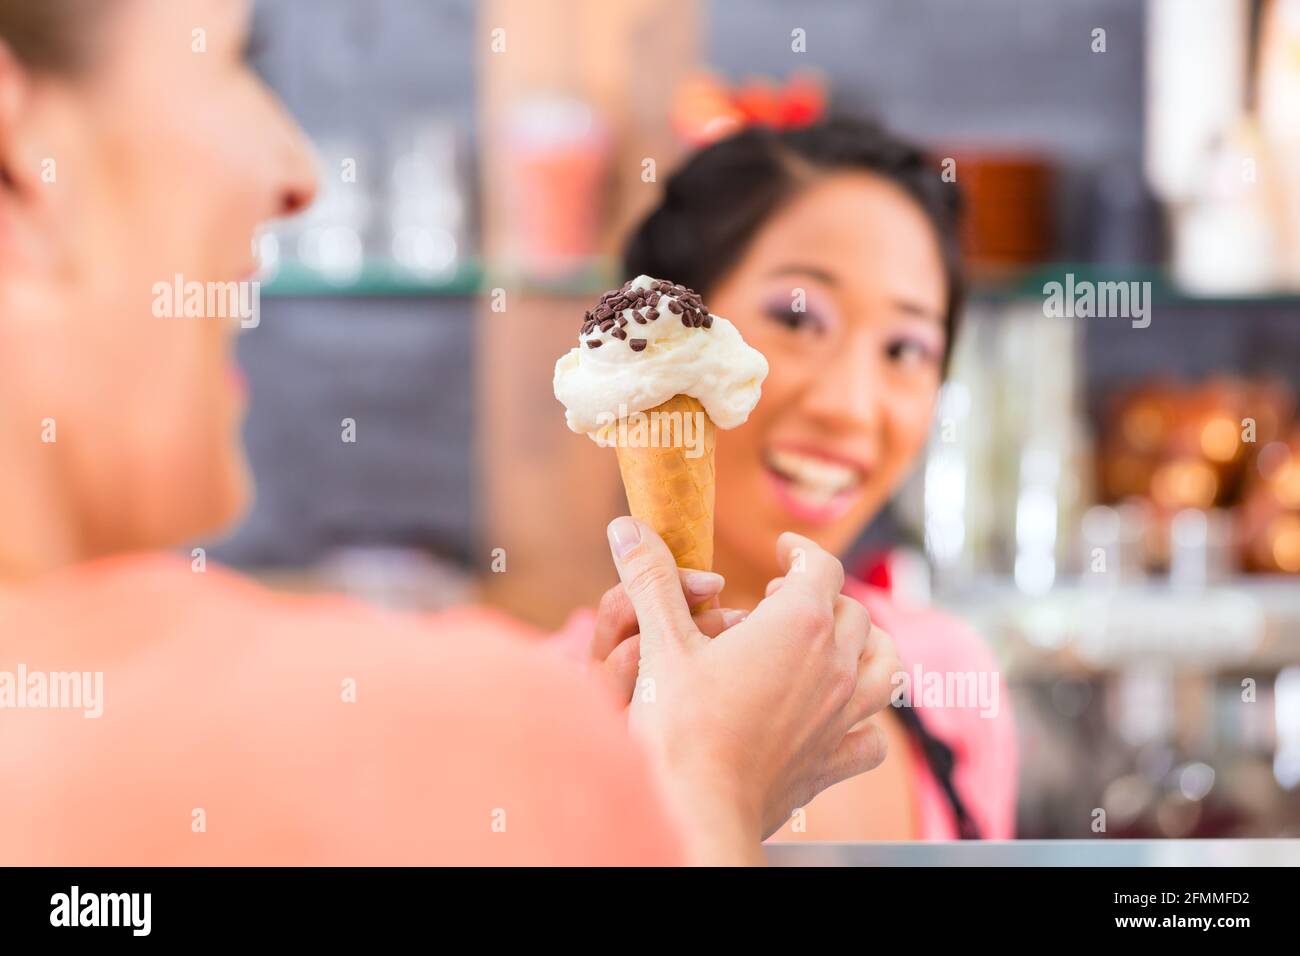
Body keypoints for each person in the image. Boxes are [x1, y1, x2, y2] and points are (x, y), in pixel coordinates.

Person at [0, 0, 899, 865]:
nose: (298, 170)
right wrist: (707, 789)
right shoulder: (444, 728)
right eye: (239, 57)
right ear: (19, 158)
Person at [559, 118, 1018, 840]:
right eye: (798, 317)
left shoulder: (948, 673)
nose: (851, 406)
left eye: (906, 347)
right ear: (658, 329)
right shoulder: (542, 705)